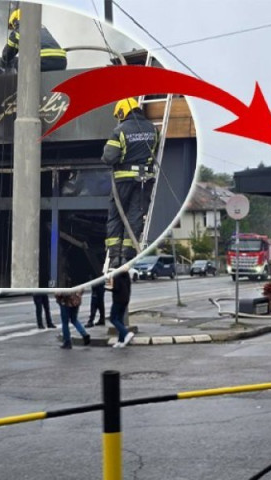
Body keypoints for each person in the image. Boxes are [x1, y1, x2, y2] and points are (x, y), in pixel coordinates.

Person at [102, 98, 158, 268]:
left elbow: (109, 157)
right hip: (144, 181)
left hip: (123, 180)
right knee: (135, 217)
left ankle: (114, 256)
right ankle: (128, 255)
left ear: (122, 112)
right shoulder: (153, 129)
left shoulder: (119, 131)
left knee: (116, 216)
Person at [0, 9, 67, 72]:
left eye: (12, 25)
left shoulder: (19, 30)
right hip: (61, 61)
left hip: (42, 61)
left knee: (14, 62)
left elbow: (6, 56)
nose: (13, 28)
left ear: (15, 21)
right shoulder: (42, 28)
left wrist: (1, 62)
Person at [108, 270, 135, 348]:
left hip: (118, 299)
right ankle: (121, 341)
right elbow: (128, 287)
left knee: (113, 319)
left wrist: (108, 282)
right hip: (125, 299)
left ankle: (126, 333)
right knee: (120, 319)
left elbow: (115, 288)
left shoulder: (116, 275)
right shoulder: (126, 274)